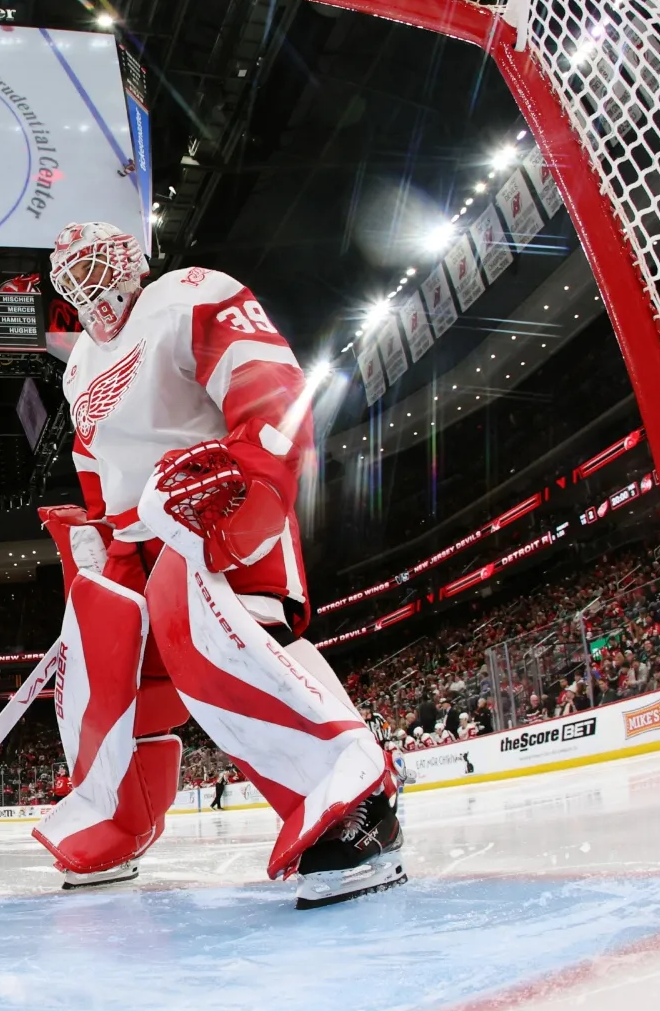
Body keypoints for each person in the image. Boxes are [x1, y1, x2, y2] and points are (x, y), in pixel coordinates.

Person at [35, 221, 402, 907]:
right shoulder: (80, 363)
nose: (90, 287)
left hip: (212, 504)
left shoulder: (191, 295)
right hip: (133, 539)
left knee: (226, 639)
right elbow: (96, 461)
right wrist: (100, 538)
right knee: (102, 674)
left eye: (97, 266)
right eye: (73, 275)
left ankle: (356, 807)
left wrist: (255, 483)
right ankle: (116, 823)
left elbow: (269, 383)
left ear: (130, 261)